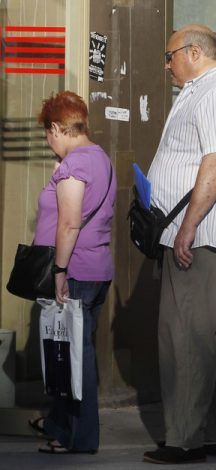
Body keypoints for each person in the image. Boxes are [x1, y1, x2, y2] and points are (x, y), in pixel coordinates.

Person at [142, 24, 216, 464]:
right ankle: (207, 433)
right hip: (203, 235)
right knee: (203, 336)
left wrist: (188, 224)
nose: (167, 64)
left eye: (169, 55)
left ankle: (185, 440)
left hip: (203, 236)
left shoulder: (215, 92)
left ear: (192, 51)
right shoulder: (206, 90)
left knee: (185, 337)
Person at [25, 91, 116, 455]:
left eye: (49, 135)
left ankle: (79, 438)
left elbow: (69, 223)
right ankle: (62, 429)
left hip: (75, 271)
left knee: (75, 358)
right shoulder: (99, 158)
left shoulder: (76, 165)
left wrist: (59, 271)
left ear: (57, 129)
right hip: (96, 269)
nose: (49, 142)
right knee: (74, 354)